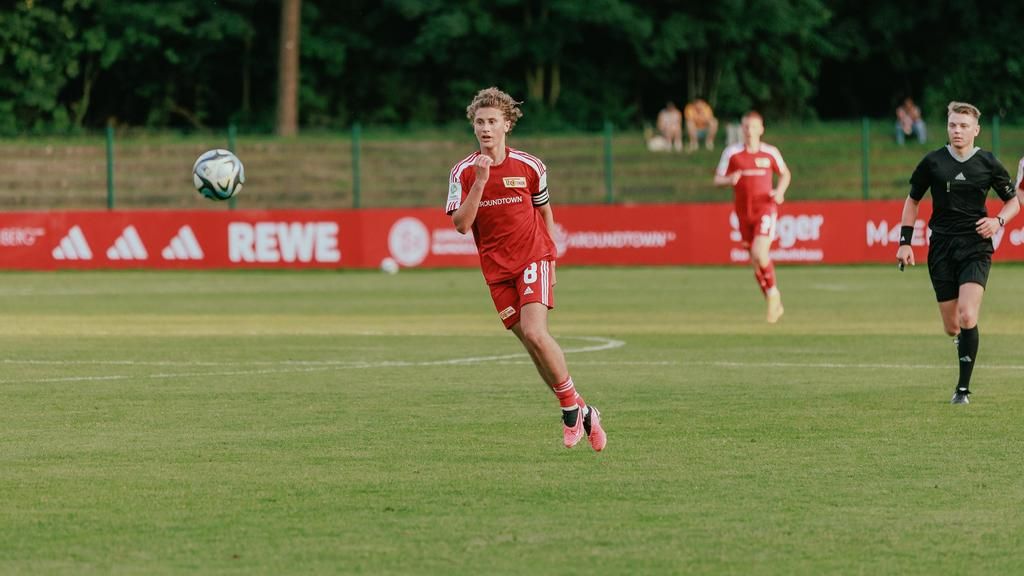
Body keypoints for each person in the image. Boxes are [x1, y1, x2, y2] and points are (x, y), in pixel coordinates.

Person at [446, 87, 607, 451]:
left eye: (492, 121)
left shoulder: (530, 166)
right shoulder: (463, 172)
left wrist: (551, 259)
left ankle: (569, 412)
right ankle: (583, 410)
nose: (485, 128)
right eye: (479, 122)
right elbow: (461, 224)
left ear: (507, 125)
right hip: (496, 270)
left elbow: (544, 211)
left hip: (533, 257)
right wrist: (481, 182)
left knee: (536, 332)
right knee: (533, 347)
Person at [896, 101, 1019, 405]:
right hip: (941, 247)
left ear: (976, 130)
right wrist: (904, 242)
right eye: (953, 125)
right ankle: (962, 340)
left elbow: (1013, 201)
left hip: (976, 246)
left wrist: (998, 221)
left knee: (967, 314)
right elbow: (912, 201)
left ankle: (962, 390)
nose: (957, 131)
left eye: (964, 126)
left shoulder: (988, 163)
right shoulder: (932, 162)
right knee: (952, 326)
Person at [714, 111, 791, 323]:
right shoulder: (732, 153)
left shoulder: (770, 153)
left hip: (765, 208)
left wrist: (780, 192)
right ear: (742, 129)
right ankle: (773, 303)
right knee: (755, 262)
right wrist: (729, 179)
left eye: (754, 127)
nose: (749, 131)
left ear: (761, 129)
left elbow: (785, 173)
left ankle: (773, 294)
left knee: (760, 252)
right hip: (743, 212)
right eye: (746, 127)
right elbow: (717, 179)